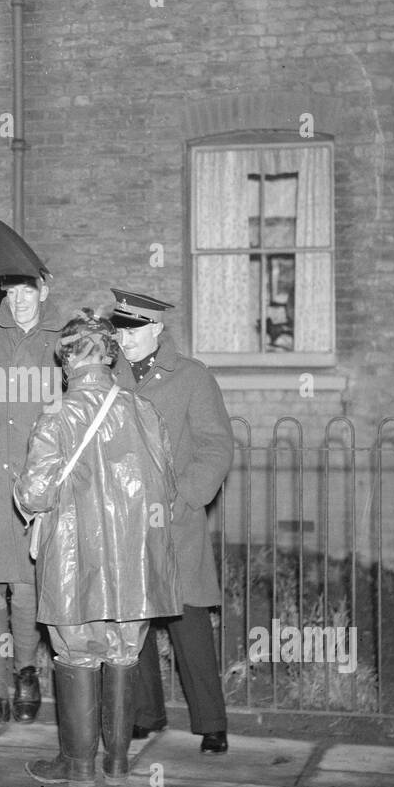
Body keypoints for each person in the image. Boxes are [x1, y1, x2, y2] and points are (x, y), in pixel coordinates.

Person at [13, 310, 178, 787]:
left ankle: (78, 764)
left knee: (77, 654)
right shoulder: (143, 410)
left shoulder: (57, 416)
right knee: (124, 652)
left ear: (66, 361)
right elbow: (165, 484)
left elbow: (36, 495)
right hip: (133, 562)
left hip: (72, 560)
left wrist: (18, 489)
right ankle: (119, 761)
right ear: (109, 356)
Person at [110, 288, 233, 754]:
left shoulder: (192, 377)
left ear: (158, 328)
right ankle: (146, 714)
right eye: (120, 330)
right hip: (125, 519)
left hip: (176, 520)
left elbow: (216, 445)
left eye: (135, 330)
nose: (126, 340)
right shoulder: (109, 377)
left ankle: (211, 722)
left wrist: (186, 495)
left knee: (188, 621)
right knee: (133, 617)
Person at [0, 273, 64, 729]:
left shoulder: (61, 347)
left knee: (26, 585)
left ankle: (26, 674)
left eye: (29, 291)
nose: (20, 301)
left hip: (35, 487)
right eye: (12, 292)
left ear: (45, 291)